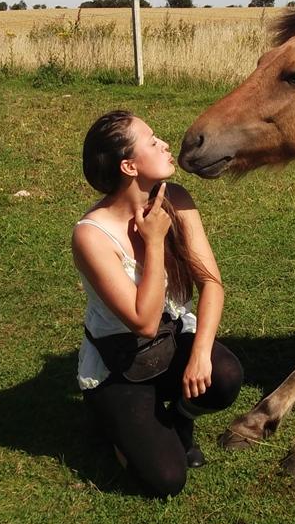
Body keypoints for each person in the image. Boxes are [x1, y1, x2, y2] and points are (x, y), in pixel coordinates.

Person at [73, 110, 243, 498]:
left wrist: (200, 354)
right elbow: (143, 323)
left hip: (168, 342)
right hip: (120, 364)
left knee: (225, 375)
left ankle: (180, 420)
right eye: (152, 141)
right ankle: (112, 425)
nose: (165, 144)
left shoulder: (178, 200)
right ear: (129, 166)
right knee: (166, 479)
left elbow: (212, 283)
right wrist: (152, 241)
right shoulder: (92, 236)